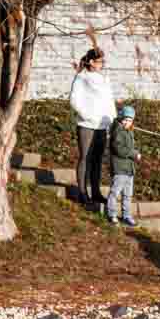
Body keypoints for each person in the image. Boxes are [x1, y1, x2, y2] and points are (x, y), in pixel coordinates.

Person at [69, 48, 115, 210]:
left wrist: (112, 118)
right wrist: (87, 115)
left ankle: (95, 192)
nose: (102, 64)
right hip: (87, 125)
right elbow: (74, 100)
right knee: (85, 158)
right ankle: (82, 193)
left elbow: (110, 100)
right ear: (91, 62)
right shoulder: (81, 78)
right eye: (100, 61)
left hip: (102, 126)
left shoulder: (104, 79)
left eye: (103, 61)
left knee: (97, 159)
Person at [106, 104, 140, 227]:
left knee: (127, 194)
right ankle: (112, 214)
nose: (127, 122)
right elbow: (119, 149)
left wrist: (133, 154)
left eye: (130, 120)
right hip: (120, 168)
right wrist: (134, 154)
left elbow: (129, 148)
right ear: (121, 118)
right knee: (115, 192)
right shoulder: (118, 131)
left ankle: (126, 215)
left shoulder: (129, 132)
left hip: (129, 169)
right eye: (125, 119)